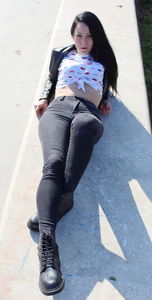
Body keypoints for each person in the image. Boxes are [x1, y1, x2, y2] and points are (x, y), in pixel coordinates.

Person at [27, 11, 118, 296]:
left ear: (97, 37)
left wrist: (103, 101)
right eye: (78, 35)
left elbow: (108, 90)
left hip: (87, 113)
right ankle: (48, 249)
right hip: (59, 108)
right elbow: (51, 80)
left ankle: (54, 205)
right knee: (52, 163)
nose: (83, 41)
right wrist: (44, 97)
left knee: (85, 124)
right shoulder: (61, 54)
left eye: (89, 35)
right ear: (72, 35)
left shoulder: (104, 61)